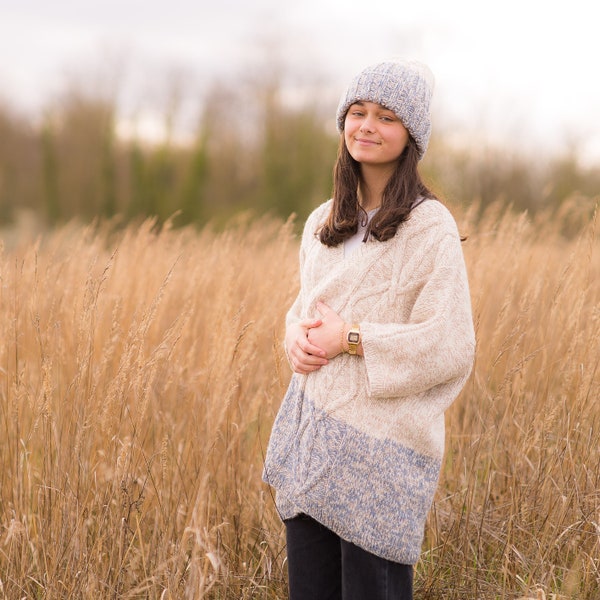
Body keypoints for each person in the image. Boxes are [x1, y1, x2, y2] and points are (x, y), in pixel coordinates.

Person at [262, 59, 475, 600]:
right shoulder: (320, 221)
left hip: (381, 464)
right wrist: (293, 338)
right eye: (358, 112)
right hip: (313, 448)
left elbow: (448, 343)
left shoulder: (430, 226)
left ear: (412, 135)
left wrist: (351, 339)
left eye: (386, 116)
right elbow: (304, 307)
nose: (367, 126)